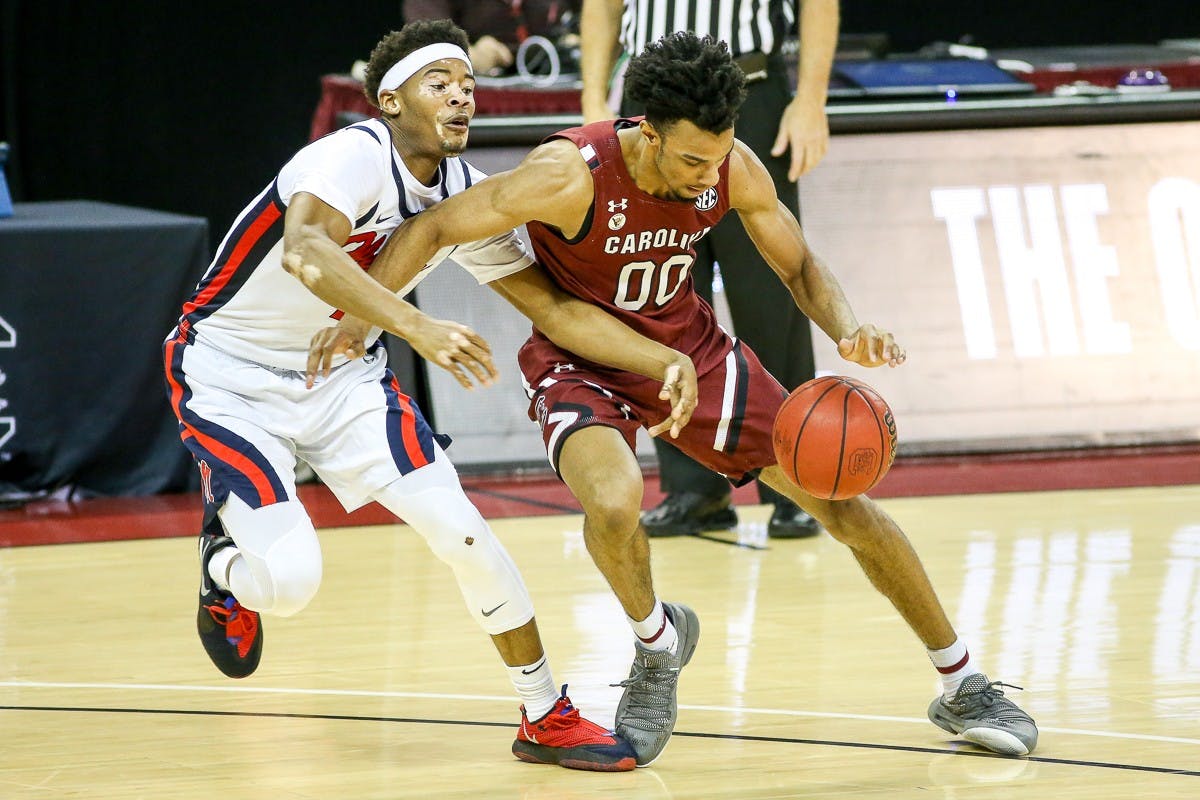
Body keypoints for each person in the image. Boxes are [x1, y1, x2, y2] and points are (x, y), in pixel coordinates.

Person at [312, 31, 1040, 766]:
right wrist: (358, 315)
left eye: (717, 157)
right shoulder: (568, 173)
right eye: (691, 159)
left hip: (693, 354)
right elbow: (434, 224)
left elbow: (799, 265)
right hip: (579, 360)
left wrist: (848, 329)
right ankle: (657, 647)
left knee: (841, 503)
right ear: (648, 133)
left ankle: (962, 681)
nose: (706, 176)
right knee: (614, 499)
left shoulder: (730, 167)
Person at [162, 19, 702, 773]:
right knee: (289, 583)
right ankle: (225, 566)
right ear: (389, 100)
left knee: (466, 532)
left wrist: (661, 355)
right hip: (231, 372)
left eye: (468, 84)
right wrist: (414, 324)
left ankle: (545, 712)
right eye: (438, 82)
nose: (461, 96)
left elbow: (553, 309)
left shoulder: (464, 195)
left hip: (343, 381)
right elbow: (307, 250)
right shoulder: (349, 154)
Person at [579, 0, 839, 540]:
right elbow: (601, 7)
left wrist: (811, 97)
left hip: (746, 93)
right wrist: (591, 99)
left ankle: (795, 482)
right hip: (649, 105)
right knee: (655, 299)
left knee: (770, 294)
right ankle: (693, 487)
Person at [403, 0, 578, 76]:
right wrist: (466, 56)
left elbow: (594, 21)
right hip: (478, 105)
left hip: (563, 89)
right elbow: (427, 42)